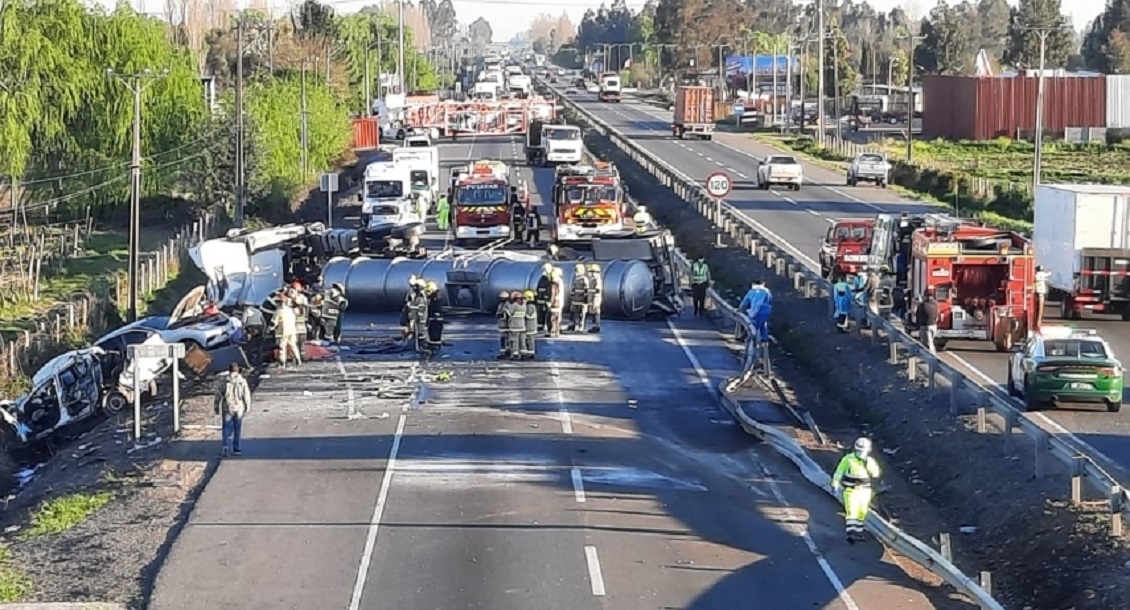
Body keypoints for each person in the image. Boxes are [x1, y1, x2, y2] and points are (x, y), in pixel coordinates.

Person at [831, 437, 882, 543]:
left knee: (862, 512)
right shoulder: (848, 459)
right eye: (859, 450)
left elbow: (875, 474)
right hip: (851, 491)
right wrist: (835, 483)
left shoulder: (869, 461)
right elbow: (839, 472)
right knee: (852, 511)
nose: (861, 453)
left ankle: (858, 532)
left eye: (863, 451)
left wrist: (868, 464)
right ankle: (851, 533)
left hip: (864, 491)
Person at [214, 362, 252, 457]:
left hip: (227, 407)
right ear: (238, 370)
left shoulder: (224, 381)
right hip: (239, 407)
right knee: (237, 428)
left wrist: (216, 406)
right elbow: (246, 395)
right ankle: (236, 448)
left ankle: (225, 446)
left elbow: (218, 394)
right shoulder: (242, 381)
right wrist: (247, 406)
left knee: (226, 427)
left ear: (229, 370)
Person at [739, 279, 773, 344]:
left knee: (751, 325)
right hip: (766, 311)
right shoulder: (767, 291)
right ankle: (764, 339)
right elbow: (770, 301)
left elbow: (745, 302)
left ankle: (748, 339)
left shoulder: (752, 291)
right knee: (762, 324)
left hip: (756, 311)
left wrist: (740, 309)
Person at [272, 297, 302, 368]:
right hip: (292, 330)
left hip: (283, 331)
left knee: (282, 347)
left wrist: (270, 329)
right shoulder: (290, 310)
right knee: (293, 345)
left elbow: (274, 322)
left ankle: (282, 363)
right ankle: (298, 360)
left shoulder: (279, 311)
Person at [567, 263, 591, 333]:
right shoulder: (575, 279)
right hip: (575, 300)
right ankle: (572, 325)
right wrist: (571, 297)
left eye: (577, 271)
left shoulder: (584, 279)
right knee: (572, 312)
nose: (575, 272)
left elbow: (586, 290)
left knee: (582, 314)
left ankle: (581, 327)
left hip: (582, 301)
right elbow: (573, 289)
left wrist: (585, 299)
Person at [535, 264, 553, 331]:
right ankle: (541, 326)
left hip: (544, 301)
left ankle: (545, 327)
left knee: (546, 315)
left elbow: (548, 291)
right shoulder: (543, 279)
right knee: (541, 315)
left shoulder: (547, 279)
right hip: (542, 301)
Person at [548, 267, 565, 338]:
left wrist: (550, 303)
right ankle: (557, 331)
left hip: (554, 304)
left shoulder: (553, 285)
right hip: (559, 303)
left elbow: (553, 294)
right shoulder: (560, 282)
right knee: (557, 318)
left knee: (553, 318)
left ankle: (553, 331)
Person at [586, 263, 603, 333]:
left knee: (596, 313)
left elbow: (597, 291)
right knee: (594, 313)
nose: (589, 273)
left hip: (595, 300)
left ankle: (597, 326)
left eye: (591, 272)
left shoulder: (597, 280)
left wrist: (595, 301)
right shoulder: (592, 280)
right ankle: (595, 326)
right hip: (592, 300)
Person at [496, 291, 512, 358]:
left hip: (507, 324)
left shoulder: (507, 304)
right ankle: (503, 352)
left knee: (507, 339)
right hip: (502, 325)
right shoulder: (500, 305)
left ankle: (507, 351)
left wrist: (503, 315)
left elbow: (509, 314)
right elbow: (498, 313)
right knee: (503, 339)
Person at [523, 289, 538, 359]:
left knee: (529, 340)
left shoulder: (529, 306)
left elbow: (529, 316)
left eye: (524, 298)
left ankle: (530, 353)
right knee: (529, 340)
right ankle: (530, 352)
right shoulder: (532, 306)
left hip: (529, 327)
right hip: (531, 326)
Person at [1034, 264, 1050, 330]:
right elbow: (1048, 274)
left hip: (1036, 294)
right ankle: (1038, 323)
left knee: (1036, 310)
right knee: (1040, 310)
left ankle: (1037, 322)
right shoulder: (1043, 274)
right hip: (1041, 294)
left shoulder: (1036, 275)